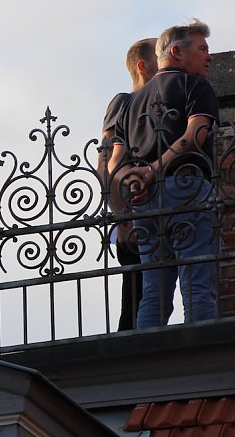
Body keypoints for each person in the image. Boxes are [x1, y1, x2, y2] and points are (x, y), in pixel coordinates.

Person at [109, 19, 219, 328]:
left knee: (153, 293)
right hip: (187, 190)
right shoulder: (196, 86)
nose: (209, 57)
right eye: (202, 49)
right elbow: (196, 134)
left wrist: (136, 178)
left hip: (146, 203)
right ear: (176, 52)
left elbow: (115, 161)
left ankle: (149, 357)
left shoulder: (131, 103)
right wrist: (155, 171)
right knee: (197, 284)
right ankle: (203, 355)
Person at [99, 38, 157, 331]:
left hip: (158, 210)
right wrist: (123, 218)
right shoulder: (124, 102)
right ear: (143, 66)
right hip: (133, 217)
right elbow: (106, 163)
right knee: (135, 301)